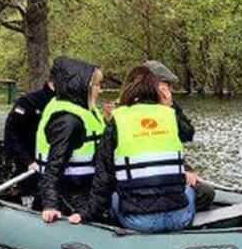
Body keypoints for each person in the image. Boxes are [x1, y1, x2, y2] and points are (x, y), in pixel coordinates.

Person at [73, 65, 196, 233]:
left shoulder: (118, 118)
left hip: (140, 223)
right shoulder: (169, 115)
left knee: (115, 194)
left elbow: (103, 175)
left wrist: (86, 213)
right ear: (156, 89)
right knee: (188, 190)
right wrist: (171, 105)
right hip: (179, 220)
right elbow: (188, 133)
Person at [36, 57, 105, 222]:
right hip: (71, 198)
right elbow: (54, 167)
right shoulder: (68, 121)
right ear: (82, 87)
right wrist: (51, 205)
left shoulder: (85, 112)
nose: (100, 91)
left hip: (86, 191)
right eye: (97, 85)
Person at [143, 60, 215, 212]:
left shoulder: (170, 107)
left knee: (205, 192)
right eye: (166, 85)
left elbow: (187, 134)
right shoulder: (134, 112)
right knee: (204, 193)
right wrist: (181, 173)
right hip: (150, 176)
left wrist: (170, 108)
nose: (170, 90)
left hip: (167, 171)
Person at [3, 75, 55, 193]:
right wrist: (27, 161)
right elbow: (11, 132)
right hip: (29, 159)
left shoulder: (67, 103)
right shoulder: (28, 101)